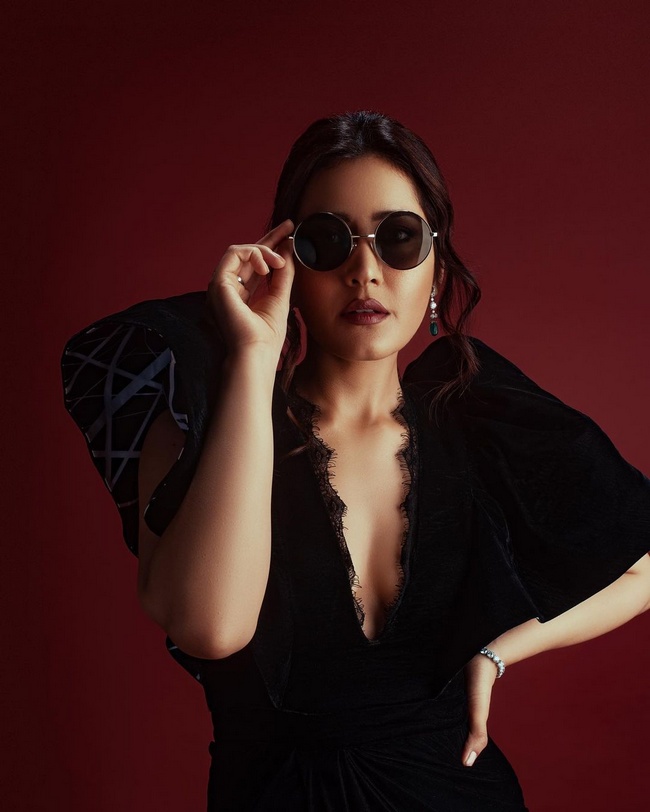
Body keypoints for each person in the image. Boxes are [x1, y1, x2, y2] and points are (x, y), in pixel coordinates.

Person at [61, 111, 650, 811]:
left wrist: (496, 653)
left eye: (399, 238)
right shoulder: (197, 417)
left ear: (436, 267)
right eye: (328, 239)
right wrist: (253, 355)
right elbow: (211, 627)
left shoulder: (477, 421)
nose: (365, 271)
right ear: (285, 262)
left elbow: (640, 567)